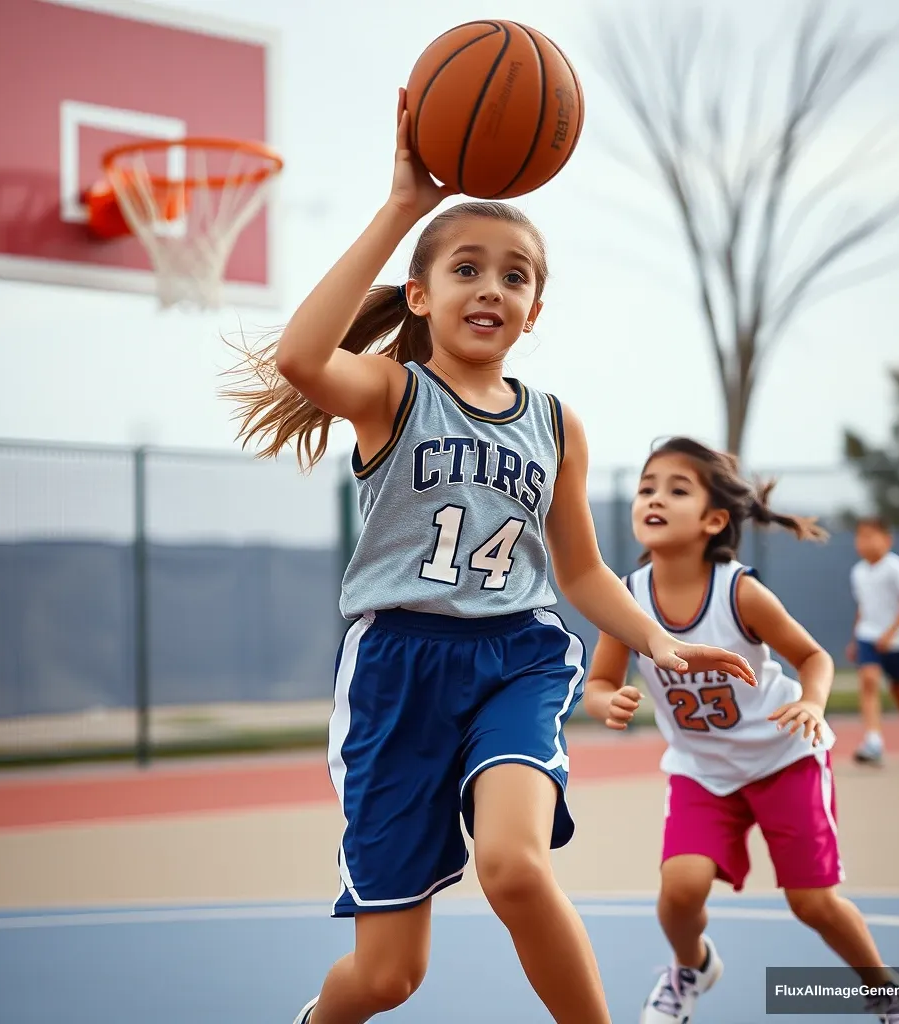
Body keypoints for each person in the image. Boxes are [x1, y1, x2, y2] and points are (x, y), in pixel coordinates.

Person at [222, 93, 756, 1024]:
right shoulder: (393, 393)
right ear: (421, 295)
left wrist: (656, 642)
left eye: (515, 277)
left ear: (533, 309)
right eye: (467, 268)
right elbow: (305, 360)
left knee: (514, 864)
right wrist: (401, 207)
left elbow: (583, 572)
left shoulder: (555, 423)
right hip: (397, 669)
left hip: (517, 653)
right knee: (388, 977)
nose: (491, 288)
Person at [582, 437, 899, 1024]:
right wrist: (606, 701)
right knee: (679, 891)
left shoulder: (740, 591)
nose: (653, 498)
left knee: (813, 903)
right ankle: (690, 967)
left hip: (782, 759)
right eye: (646, 488)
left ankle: (885, 990)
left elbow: (814, 657)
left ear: (714, 520)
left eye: (676, 488)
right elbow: (598, 682)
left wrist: (814, 705)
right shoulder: (625, 600)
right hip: (702, 769)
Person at [847, 516, 899, 765]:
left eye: (870, 536)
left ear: (887, 540)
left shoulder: (896, 566)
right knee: (868, 682)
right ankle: (873, 741)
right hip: (868, 637)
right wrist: (855, 638)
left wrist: (890, 634)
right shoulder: (858, 572)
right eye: (860, 537)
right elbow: (863, 607)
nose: (864, 542)